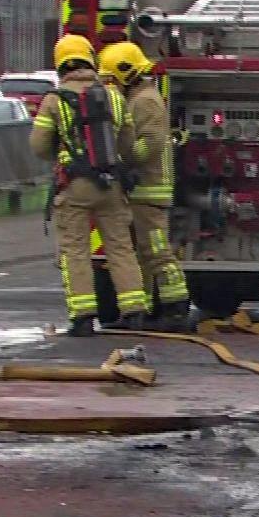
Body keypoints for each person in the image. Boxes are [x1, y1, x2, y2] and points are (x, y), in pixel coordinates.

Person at [29, 34, 150, 336]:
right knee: (121, 247)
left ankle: (83, 317)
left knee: (76, 251)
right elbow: (127, 142)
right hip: (111, 184)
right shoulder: (114, 96)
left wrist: (64, 147)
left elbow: (40, 147)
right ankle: (134, 310)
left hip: (74, 186)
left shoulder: (54, 101)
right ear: (90, 61)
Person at [100, 40, 191, 331]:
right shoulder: (139, 97)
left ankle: (176, 308)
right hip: (140, 191)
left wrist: (122, 158)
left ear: (126, 73)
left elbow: (149, 144)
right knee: (141, 252)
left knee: (156, 250)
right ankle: (147, 308)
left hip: (150, 190)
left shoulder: (146, 100)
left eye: (112, 78)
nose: (110, 85)